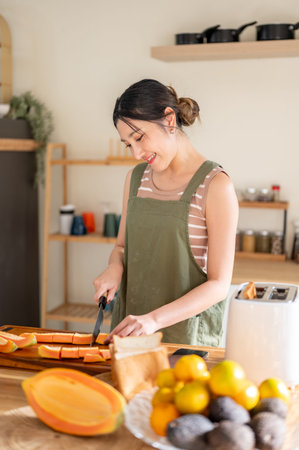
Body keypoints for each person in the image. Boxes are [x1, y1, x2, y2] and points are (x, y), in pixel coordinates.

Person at [93, 79, 238, 346]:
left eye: (139, 137)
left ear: (169, 120)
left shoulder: (216, 186)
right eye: (128, 144)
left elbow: (219, 284)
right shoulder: (135, 179)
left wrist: (153, 321)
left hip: (186, 343)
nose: (136, 152)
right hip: (131, 336)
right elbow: (122, 247)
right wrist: (114, 268)